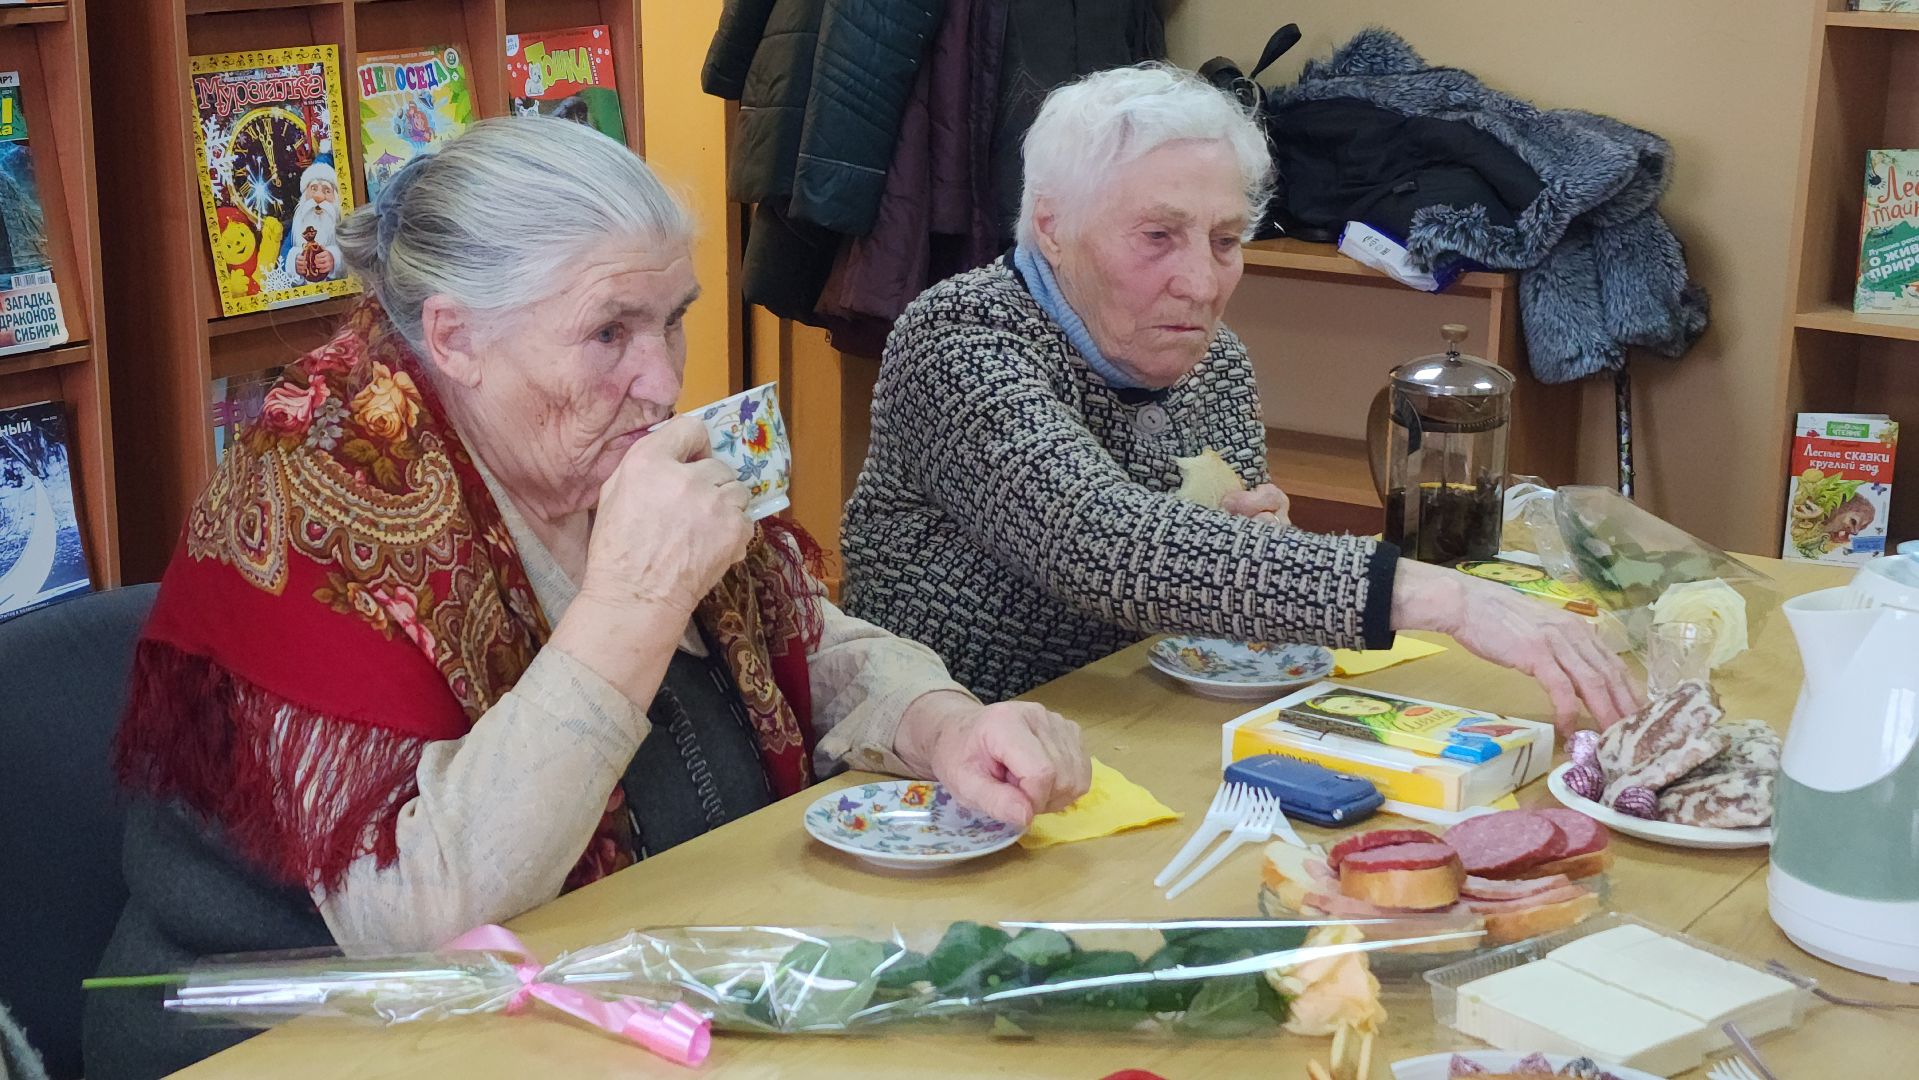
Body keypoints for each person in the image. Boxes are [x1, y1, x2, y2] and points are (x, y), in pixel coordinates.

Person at [84, 116, 1090, 1079]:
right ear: (456, 337)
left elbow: (803, 638)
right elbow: (421, 911)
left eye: (673, 322)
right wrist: (634, 602)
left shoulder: (587, 442)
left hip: (602, 986)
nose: (659, 382)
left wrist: (938, 722)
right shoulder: (309, 498)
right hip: (298, 1038)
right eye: (609, 332)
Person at [841, 64, 1636, 727]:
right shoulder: (959, 338)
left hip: (1140, 721)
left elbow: (1194, 570)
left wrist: (1242, 544)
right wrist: (1445, 598)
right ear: (1051, 226)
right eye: (1157, 237)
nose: (1200, 283)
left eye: (1225, 241)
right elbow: (1102, 546)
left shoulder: (1214, 360)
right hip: (955, 748)